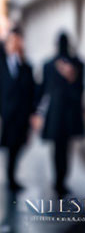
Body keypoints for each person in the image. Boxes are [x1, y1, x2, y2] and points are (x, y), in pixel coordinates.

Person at [38, 33, 85, 197]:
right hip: (57, 114)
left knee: (64, 149)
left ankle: (61, 180)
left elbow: (80, 89)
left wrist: (71, 75)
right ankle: (59, 181)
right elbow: (43, 89)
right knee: (59, 149)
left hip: (67, 114)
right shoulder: (49, 65)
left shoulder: (77, 65)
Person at [0, 25, 36, 192]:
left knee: (18, 146)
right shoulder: (2, 64)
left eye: (17, 41)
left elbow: (31, 91)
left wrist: (33, 113)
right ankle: (11, 178)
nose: (14, 44)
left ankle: (11, 176)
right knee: (10, 145)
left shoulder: (26, 66)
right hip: (6, 114)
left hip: (21, 115)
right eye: (11, 41)